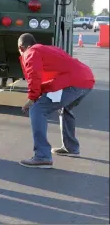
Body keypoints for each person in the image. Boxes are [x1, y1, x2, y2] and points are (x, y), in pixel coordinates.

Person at [17, 33, 95, 169]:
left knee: (37, 109)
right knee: (65, 108)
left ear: (21, 47)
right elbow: (52, 76)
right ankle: (71, 148)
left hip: (74, 83)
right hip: (86, 80)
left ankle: (42, 157)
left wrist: (32, 98)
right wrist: (40, 92)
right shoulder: (47, 49)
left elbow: (34, 76)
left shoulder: (30, 52)